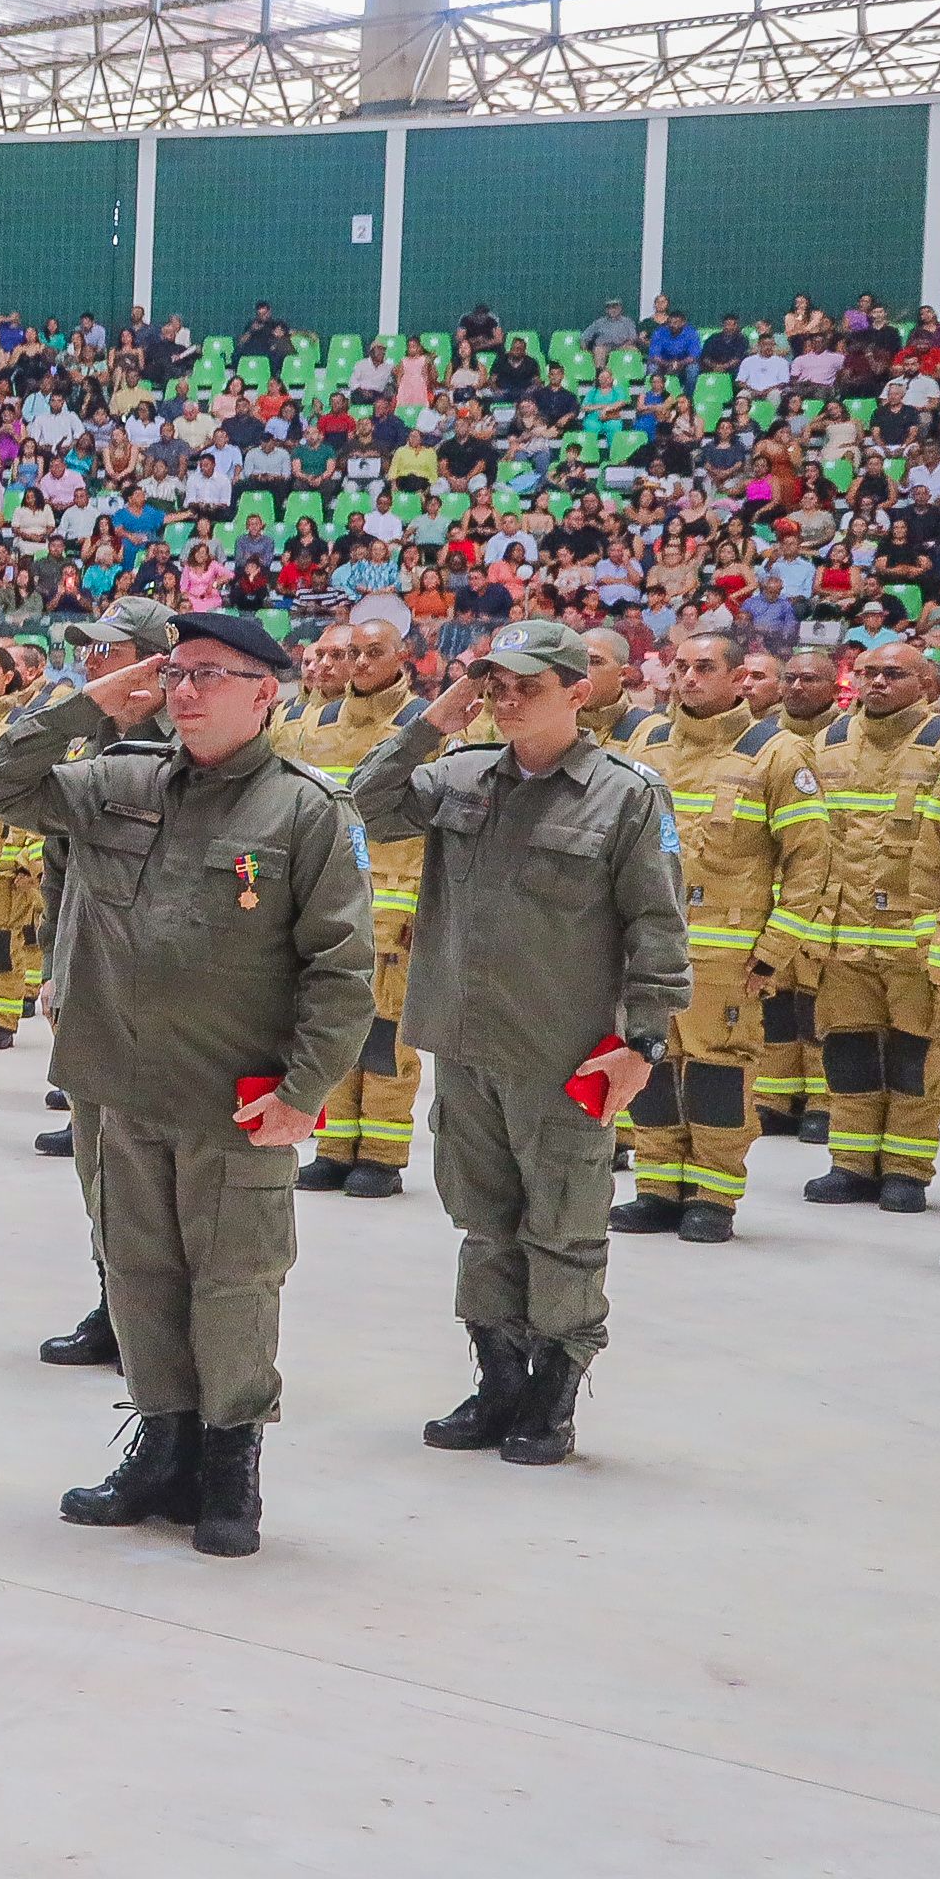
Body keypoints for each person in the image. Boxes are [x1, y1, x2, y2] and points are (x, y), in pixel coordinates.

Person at [0, 614, 374, 1558]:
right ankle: (160, 1447)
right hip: (114, 1086)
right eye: (175, 673)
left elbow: (341, 970)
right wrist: (92, 701)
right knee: (139, 1277)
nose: (184, 691)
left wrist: (305, 1089)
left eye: (209, 676)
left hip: (234, 1098)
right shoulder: (122, 780)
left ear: (266, 693)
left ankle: (230, 1468)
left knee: (233, 1287)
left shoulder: (305, 811)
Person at [352, 623, 693, 1469]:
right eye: (494, 684)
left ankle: (553, 1391)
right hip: (465, 1044)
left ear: (578, 694)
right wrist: (437, 716)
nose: (506, 700)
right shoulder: (461, 774)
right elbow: (364, 801)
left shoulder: (627, 794)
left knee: (565, 1227)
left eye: (526, 686)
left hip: (567, 1051)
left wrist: (641, 1042)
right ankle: (497, 1376)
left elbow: (659, 926)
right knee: (482, 1220)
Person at [613, 626, 827, 1243]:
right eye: (680, 665)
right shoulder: (646, 745)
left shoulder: (776, 754)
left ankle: (712, 1193)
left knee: (717, 1072)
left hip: (727, 957)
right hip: (644, 949)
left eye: (705, 667)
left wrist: (774, 951)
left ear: (739, 678)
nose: (688, 677)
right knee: (648, 1063)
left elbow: (809, 861)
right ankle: (656, 1186)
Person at [780, 636, 940, 1211]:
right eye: (868, 672)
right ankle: (852, 1161)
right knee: (848, 1051)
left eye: (893, 674)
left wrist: (939, 930)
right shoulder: (826, 742)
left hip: (916, 938)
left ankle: (907, 1169)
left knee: (919, 1054)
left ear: (927, 686)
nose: (877, 683)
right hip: (840, 938)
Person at [267, 611, 424, 1192]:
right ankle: (334, 1145)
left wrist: (424, 910)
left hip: (397, 903)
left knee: (386, 1034)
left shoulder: (421, 725)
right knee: (328, 1024)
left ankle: (381, 1152)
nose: (357, 664)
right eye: (350, 652)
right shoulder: (315, 722)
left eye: (371, 653)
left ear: (402, 658)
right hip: (327, 897)